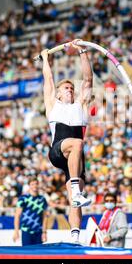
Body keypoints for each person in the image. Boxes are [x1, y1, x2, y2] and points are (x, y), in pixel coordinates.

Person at [40, 38, 93, 243]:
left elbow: (88, 80)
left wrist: (82, 51)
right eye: (66, 88)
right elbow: (49, 81)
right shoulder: (53, 104)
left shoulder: (81, 104)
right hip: (58, 150)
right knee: (78, 143)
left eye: (72, 87)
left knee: (75, 201)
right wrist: (46, 58)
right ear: (59, 94)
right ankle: (76, 188)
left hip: (75, 157)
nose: (70, 89)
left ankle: (75, 236)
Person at [13, 178, 49, 246]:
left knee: (38, 255)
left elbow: (45, 217)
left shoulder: (42, 199)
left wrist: (44, 232)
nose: (35, 186)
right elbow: (17, 216)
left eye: (36, 184)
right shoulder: (23, 198)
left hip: (38, 232)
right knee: (26, 254)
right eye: (32, 184)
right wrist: (16, 231)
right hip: (26, 231)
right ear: (29, 186)